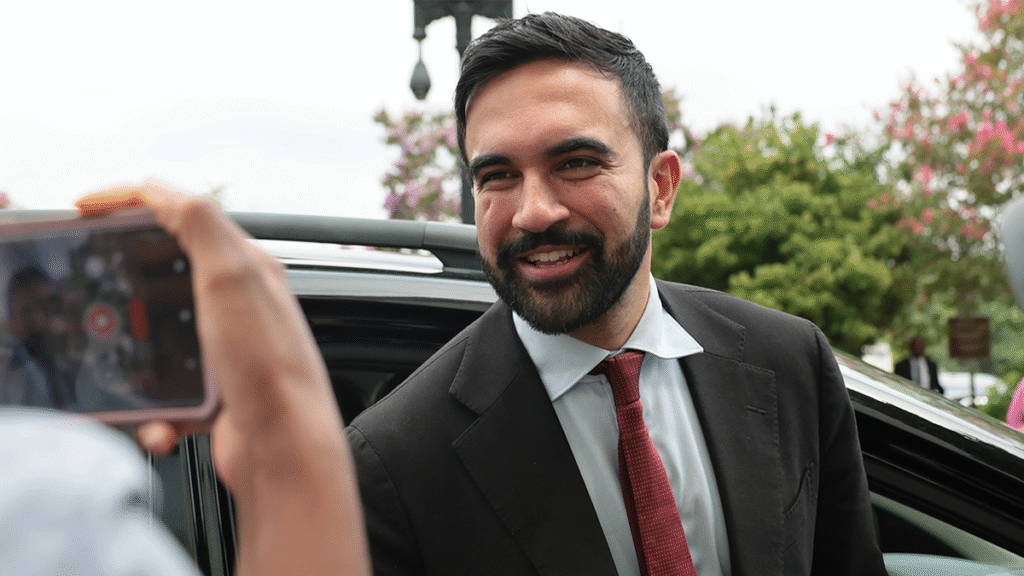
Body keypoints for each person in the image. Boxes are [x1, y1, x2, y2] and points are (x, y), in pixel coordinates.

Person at [346, 12, 885, 576]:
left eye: (576, 163)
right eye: (498, 175)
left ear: (660, 188)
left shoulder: (789, 362)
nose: (533, 212)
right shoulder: (394, 462)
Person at [0, 182, 371, 576]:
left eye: (51, 305)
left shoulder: (107, 393)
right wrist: (282, 440)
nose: (49, 322)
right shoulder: (60, 503)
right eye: (29, 311)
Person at [1, 266, 78, 409]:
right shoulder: (10, 385)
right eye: (27, 312)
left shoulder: (76, 361)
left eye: (46, 306)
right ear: (12, 324)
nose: (39, 319)